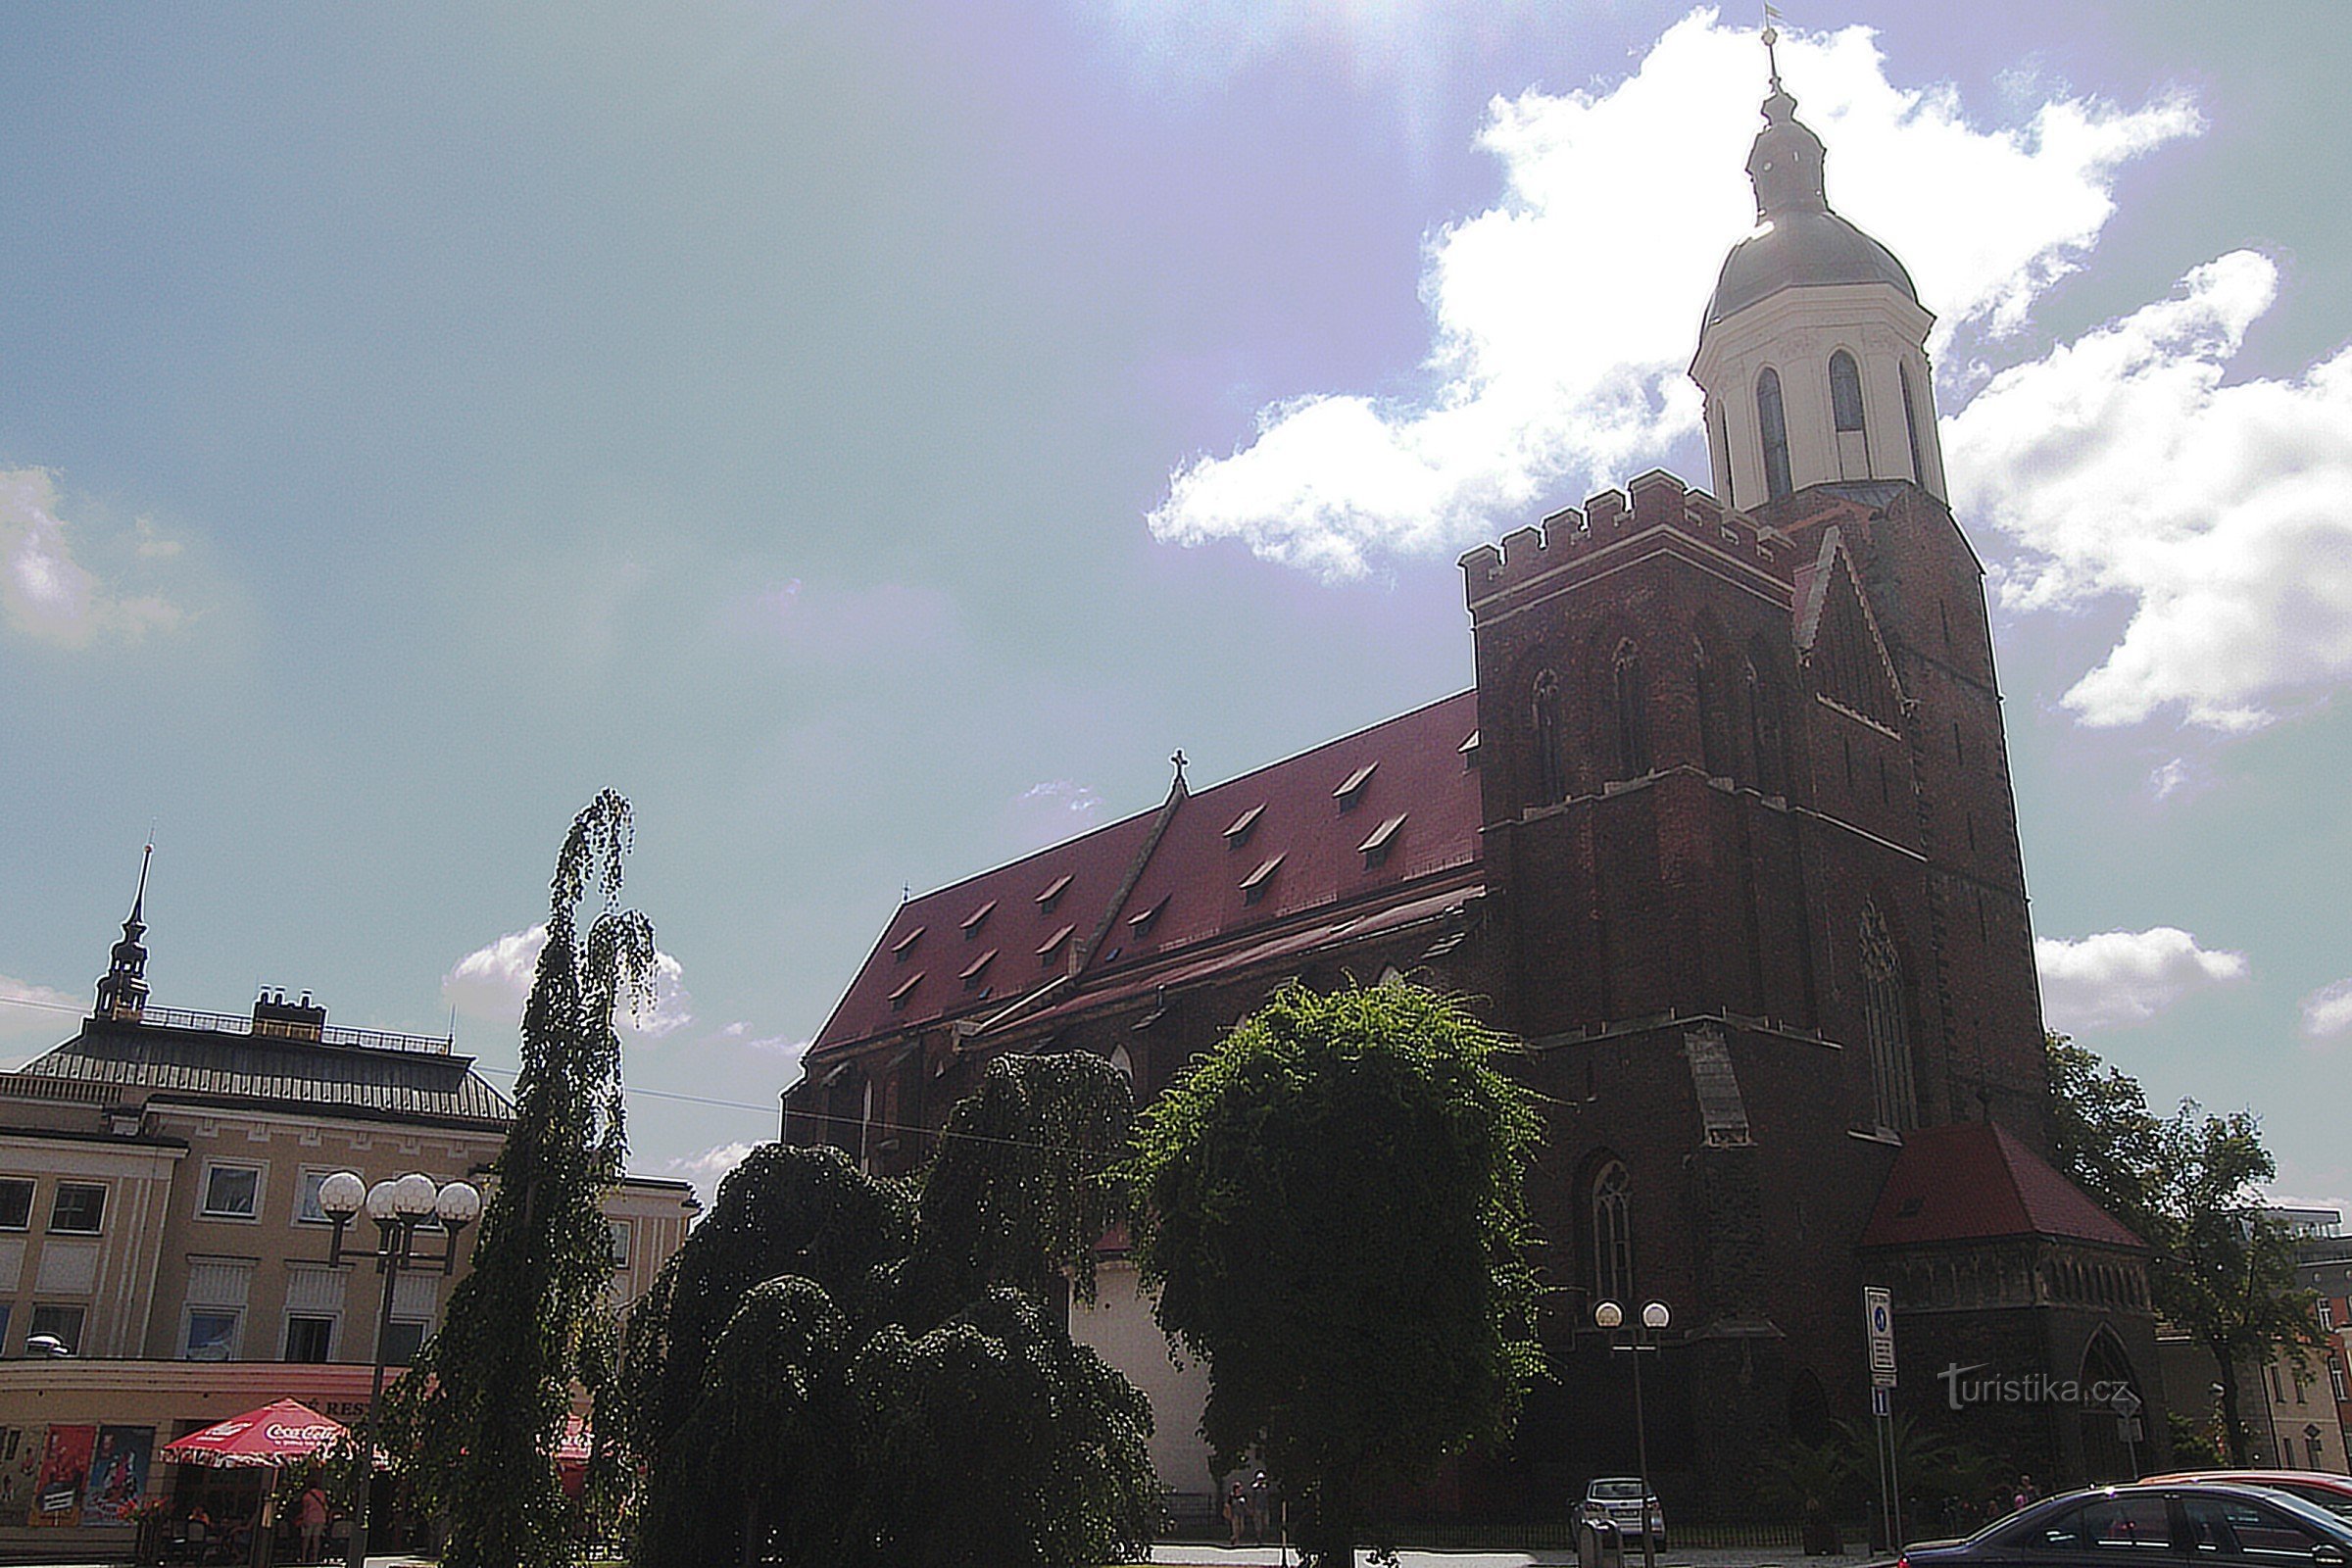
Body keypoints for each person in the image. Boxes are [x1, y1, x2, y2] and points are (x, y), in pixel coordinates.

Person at [298, 1481, 329, 1563]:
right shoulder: (321, 1494)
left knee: (306, 1538)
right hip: (321, 1518)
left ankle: (303, 1557)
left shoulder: (306, 1496)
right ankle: (315, 1556)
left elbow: (305, 1510)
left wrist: (304, 1520)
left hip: (310, 1518)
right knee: (316, 1538)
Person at [1225, 1478, 1250, 1547]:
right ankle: (1236, 1541)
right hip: (1234, 1514)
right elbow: (1228, 1505)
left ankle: (1233, 1538)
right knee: (1235, 1528)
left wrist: (1248, 1510)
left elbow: (1246, 1505)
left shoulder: (1243, 1496)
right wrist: (1229, 1513)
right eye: (1238, 1487)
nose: (1240, 1489)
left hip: (1241, 1514)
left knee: (1242, 1528)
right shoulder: (1232, 1496)